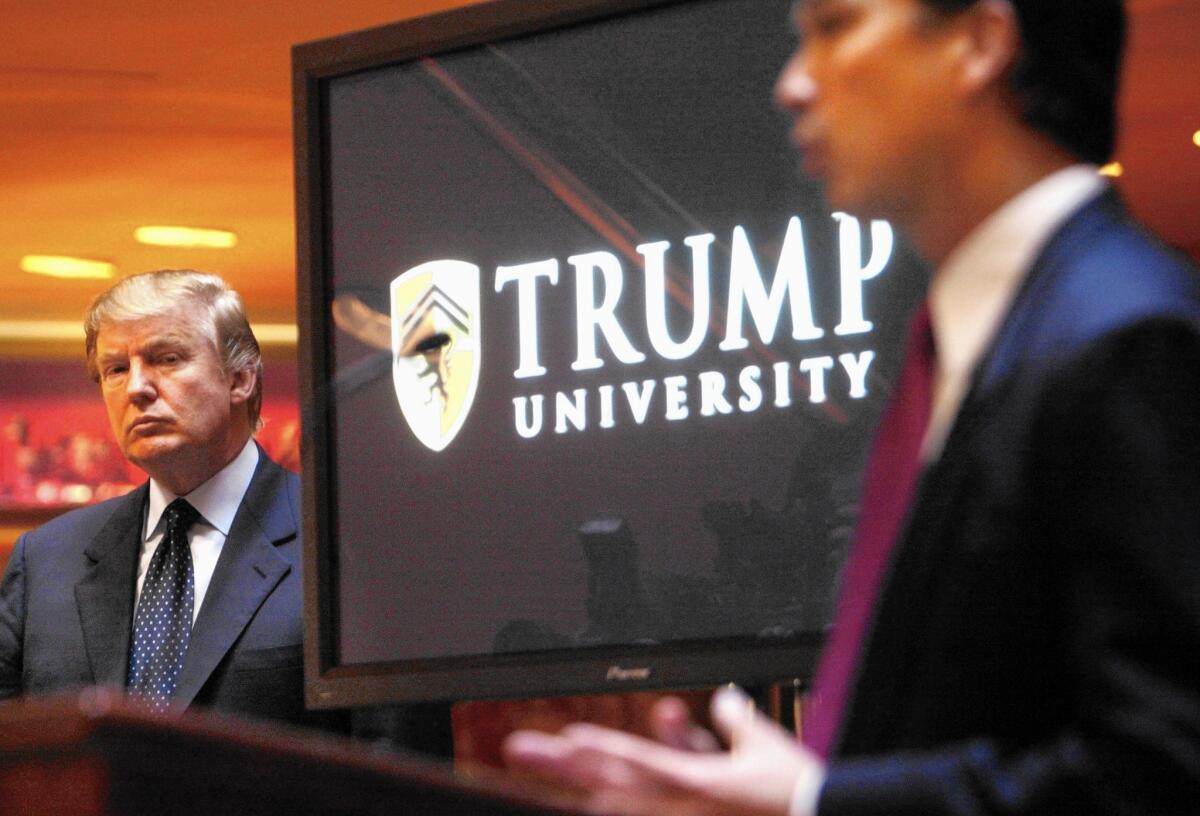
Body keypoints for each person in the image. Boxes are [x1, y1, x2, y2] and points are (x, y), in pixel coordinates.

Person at [502, 1, 1200, 813]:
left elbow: (1162, 773)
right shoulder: (970, 340)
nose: (792, 84)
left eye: (835, 28)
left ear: (979, 43)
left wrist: (814, 801)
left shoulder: (1128, 335)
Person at [0, 269, 330, 730]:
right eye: (116, 369)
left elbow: (400, 770)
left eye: (167, 358)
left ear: (240, 378)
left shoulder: (338, 543)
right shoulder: (46, 561)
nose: (136, 387)